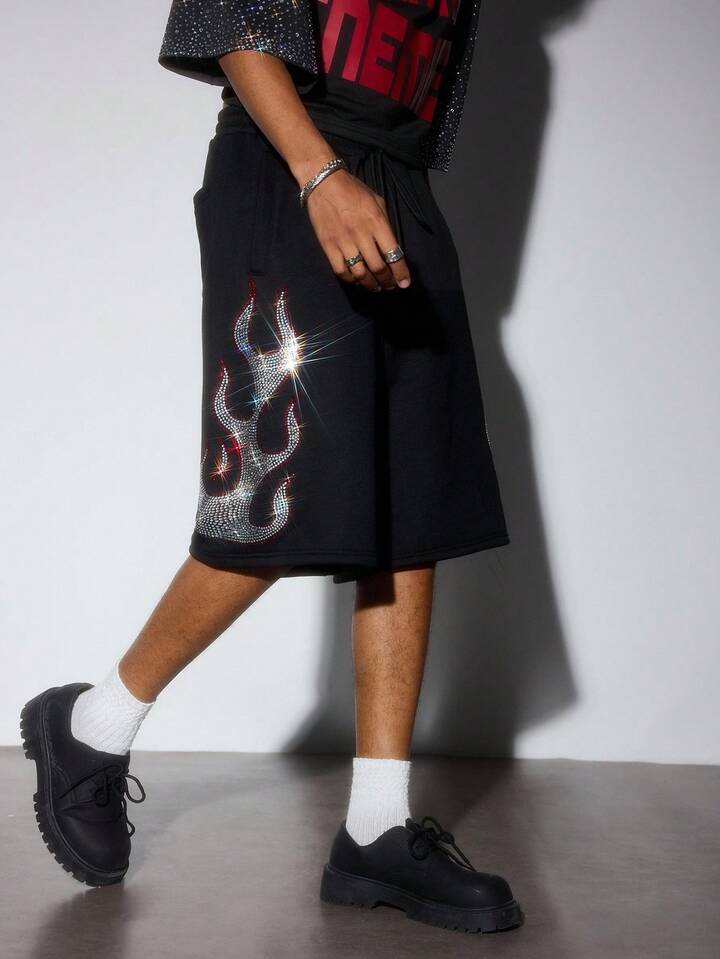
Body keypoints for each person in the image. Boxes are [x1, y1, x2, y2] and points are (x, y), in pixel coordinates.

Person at [20, 0, 522, 934]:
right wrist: (319, 173)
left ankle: (376, 824)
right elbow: (236, 14)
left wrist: (382, 184)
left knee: (410, 505)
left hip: (398, 180)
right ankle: (92, 727)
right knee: (271, 493)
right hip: (295, 165)